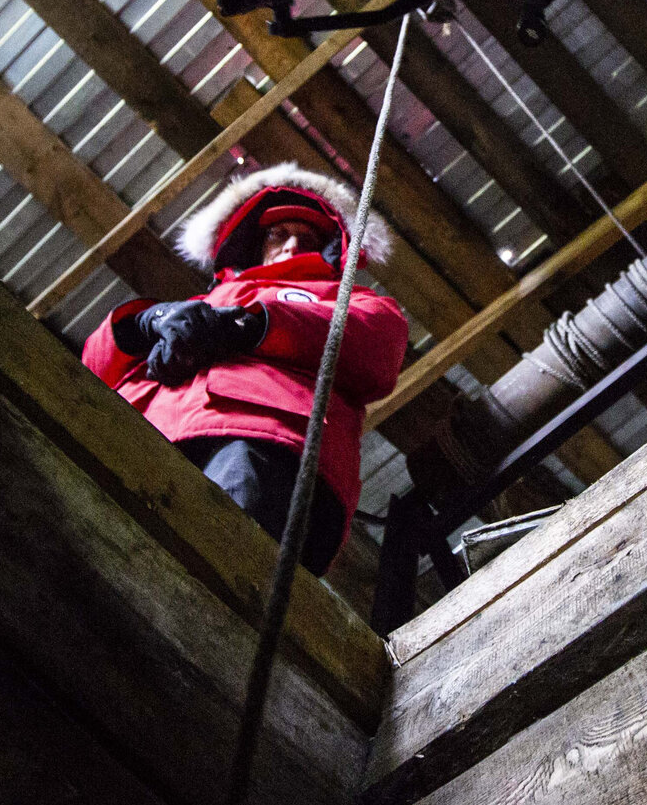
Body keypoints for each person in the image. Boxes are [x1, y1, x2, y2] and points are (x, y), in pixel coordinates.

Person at [82, 164, 408, 576]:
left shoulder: (350, 301)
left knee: (209, 573)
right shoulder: (203, 301)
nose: (291, 245)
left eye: (307, 238)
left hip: (261, 448)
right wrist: (148, 322)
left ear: (330, 250)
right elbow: (90, 371)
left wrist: (248, 326)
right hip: (139, 440)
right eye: (278, 233)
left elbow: (377, 349)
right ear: (255, 240)